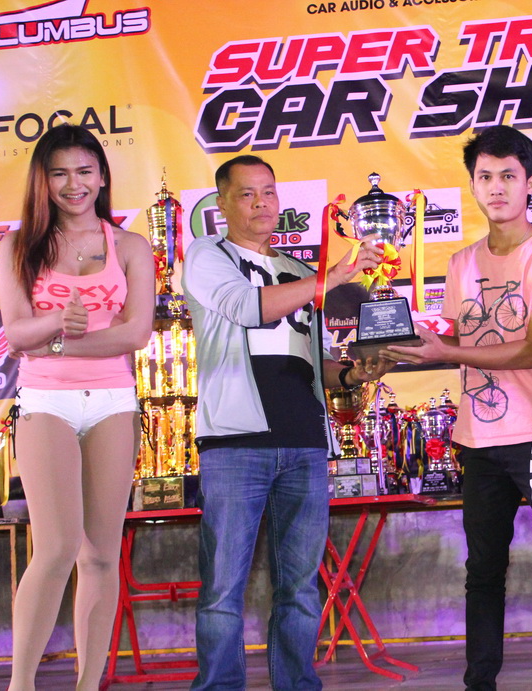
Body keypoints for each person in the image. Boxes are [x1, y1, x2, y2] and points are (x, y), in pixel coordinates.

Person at [383, 125, 532, 691]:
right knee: (483, 574)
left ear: (531, 183)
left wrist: (445, 350)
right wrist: (391, 340)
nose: (497, 188)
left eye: (509, 176)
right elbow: (453, 338)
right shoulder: (460, 262)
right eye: (485, 177)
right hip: (477, 437)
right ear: (472, 185)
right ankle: (480, 683)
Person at [183, 154, 389, 691]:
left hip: (304, 440)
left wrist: (353, 375)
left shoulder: (299, 272)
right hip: (234, 441)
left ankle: (298, 683)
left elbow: (313, 362)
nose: (261, 203)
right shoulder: (206, 255)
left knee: (299, 588)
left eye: (269, 192)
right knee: (222, 589)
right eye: (247, 193)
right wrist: (332, 277)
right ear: (222, 203)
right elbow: (246, 307)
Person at [0, 123, 155, 690]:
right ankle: (21, 684)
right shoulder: (18, 246)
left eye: (84, 171)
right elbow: (16, 333)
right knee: (57, 546)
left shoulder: (131, 246)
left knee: (101, 555)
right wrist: (52, 326)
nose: (73, 184)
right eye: (59, 173)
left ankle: (89, 685)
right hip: (46, 400)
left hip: (113, 399)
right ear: (42, 181)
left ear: (102, 177)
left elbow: (135, 334)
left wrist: (58, 341)